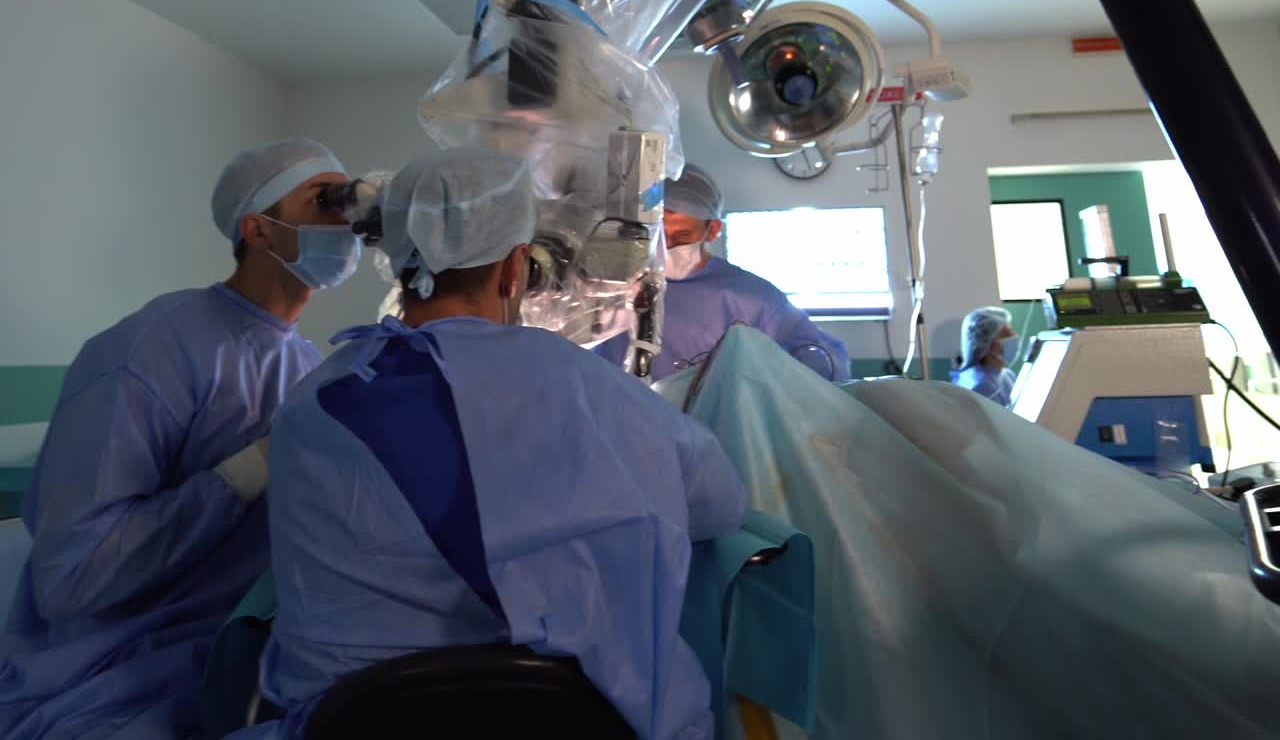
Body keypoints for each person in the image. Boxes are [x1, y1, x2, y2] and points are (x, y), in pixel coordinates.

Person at [238, 148, 748, 740]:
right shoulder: (587, 384)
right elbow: (722, 504)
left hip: (362, 721)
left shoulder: (312, 406)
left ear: (399, 264)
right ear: (515, 270)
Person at [1, 137, 360, 740]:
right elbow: (74, 576)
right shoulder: (149, 350)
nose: (346, 220)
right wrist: (251, 470)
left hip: (234, 655)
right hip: (115, 669)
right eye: (325, 200)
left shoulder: (306, 365)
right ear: (258, 229)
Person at [651, 164, 851, 383]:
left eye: (683, 235)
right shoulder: (624, 288)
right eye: (659, 234)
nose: (668, 245)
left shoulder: (752, 298)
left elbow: (825, 365)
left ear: (713, 230)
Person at [950, 306, 1019, 406]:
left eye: (1012, 331)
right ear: (986, 342)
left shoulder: (1007, 375)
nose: (1014, 337)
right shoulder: (979, 387)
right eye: (1006, 335)